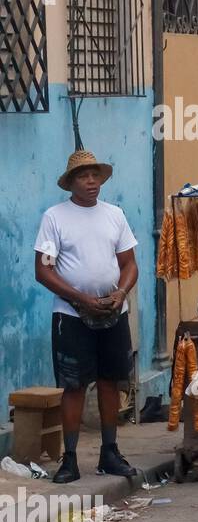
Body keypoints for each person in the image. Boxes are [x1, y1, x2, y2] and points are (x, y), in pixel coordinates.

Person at [35, 150, 141, 485]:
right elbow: (42, 270)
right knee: (73, 385)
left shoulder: (114, 215)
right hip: (71, 314)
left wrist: (120, 294)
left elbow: (129, 264)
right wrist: (80, 299)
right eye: (84, 176)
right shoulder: (55, 217)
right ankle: (69, 460)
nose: (91, 182)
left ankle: (110, 452)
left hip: (113, 311)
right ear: (71, 182)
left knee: (111, 381)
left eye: (95, 175)